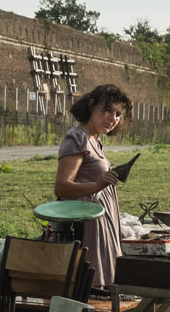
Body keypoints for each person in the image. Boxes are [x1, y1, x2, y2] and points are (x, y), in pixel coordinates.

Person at [54, 84, 131, 291]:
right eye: (106, 110)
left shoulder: (95, 141)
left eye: (117, 114)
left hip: (102, 225)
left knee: (103, 288)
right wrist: (98, 184)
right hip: (86, 228)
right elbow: (61, 188)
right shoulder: (78, 138)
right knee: (88, 288)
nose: (112, 118)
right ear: (91, 106)